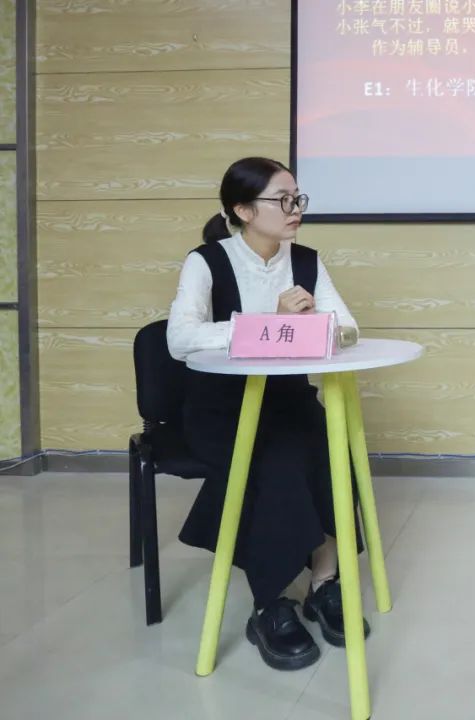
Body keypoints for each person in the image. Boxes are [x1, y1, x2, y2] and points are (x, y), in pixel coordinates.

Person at [167, 157, 367, 670]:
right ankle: (269, 603)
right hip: (220, 407)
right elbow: (179, 338)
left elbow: (347, 328)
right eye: (282, 200)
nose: (295, 208)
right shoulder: (206, 261)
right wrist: (268, 323)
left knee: (328, 448)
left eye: (297, 198)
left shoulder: (306, 261)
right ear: (243, 210)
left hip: (287, 399)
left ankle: (324, 583)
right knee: (276, 463)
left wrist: (320, 322)